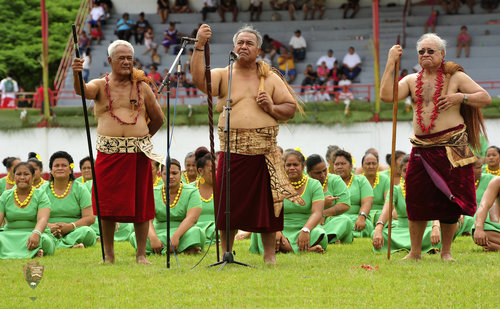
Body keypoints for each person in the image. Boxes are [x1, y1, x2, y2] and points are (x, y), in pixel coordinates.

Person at [191, 24, 304, 264]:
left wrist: (271, 108)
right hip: (233, 152)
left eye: (249, 43)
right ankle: (226, 253)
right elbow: (200, 81)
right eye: (240, 42)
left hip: (264, 153)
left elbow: (290, 108)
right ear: (234, 47)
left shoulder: (269, 77)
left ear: (258, 49)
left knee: (267, 207)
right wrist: (199, 47)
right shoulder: (224, 74)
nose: (244, 46)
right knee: (227, 205)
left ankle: (269, 256)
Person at [380, 33, 491, 260]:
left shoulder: (456, 78)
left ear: (442, 54)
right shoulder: (411, 80)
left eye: (431, 51)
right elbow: (386, 96)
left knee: (449, 200)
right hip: (421, 148)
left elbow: (485, 97)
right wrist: (390, 62)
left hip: (452, 146)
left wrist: (460, 98)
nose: (426, 55)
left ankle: (446, 252)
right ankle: (415, 253)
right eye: (422, 51)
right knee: (416, 197)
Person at [72, 40, 165, 264]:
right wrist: (77, 73)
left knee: (141, 204)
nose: (126, 62)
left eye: (129, 58)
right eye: (121, 58)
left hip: (138, 155)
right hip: (109, 154)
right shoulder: (100, 85)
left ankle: (141, 255)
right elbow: (82, 91)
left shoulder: (142, 87)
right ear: (110, 61)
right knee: (106, 206)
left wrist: (140, 138)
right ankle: (109, 255)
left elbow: (159, 119)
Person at [250, 151, 327, 254]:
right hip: (280, 228)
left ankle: (285, 248)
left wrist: (306, 230)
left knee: (319, 233)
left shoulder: (314, 185)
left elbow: (317, 212)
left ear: (303, 165)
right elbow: (268, 211)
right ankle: (303, 250)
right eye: (288, 165)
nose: (291, 168)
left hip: (305, 227)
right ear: (284, 166)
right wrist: (276, 230)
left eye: (295, 164)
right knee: (263, 230)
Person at [130, 159, 204, 254]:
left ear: (180, 174)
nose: (171, 176)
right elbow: (147, 219)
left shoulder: (192, 191)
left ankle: (161, 249)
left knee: (196, 232)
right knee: (135, 235)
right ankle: (184, 249)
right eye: (166, 174)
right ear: (160, 175)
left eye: (174, 173)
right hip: (159, 232)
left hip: (183, 232)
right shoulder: (152, 192)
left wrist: (176, 237)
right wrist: (153, 238)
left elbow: (192, 218)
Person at [372, 155, 442, 253]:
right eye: (405, 170)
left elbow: (435, 212)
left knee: (438, 233)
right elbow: (386, 211)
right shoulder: (395, 190)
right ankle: (421, 248)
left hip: (425, 230)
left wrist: (435, 227)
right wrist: (379, 228)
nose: (409, 173)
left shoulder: (428, 188)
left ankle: (410, 247)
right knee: (377, 233)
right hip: (401, 229)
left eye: (413, 170)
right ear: (400, 172)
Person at [0, 162, 55, 259]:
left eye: (26, 174)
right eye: (18, 174)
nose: (22, 177)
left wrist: (36, 233)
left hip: (34, 233)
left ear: (33, 177)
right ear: (14, 177)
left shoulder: (41, 194)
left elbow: (43, 219)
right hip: (10, 235)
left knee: (45, 240)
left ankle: (33, 250)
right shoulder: (6, 195)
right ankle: (33, 253)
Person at [42, 151, 96, 249]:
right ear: (51, 170)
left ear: (70, 170)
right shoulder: (42, 190)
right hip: (48, 230)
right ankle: (70, 245)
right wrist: (50, 227)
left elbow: (90, 218)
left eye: (64, 165)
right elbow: (35, 217)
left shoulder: (80, 188)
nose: (60, 168)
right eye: (56, 165)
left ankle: (57, 244)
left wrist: (70, 226)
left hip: (74, 230)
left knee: (88, 232)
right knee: (40, 234)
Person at [306, 154, 353, 244]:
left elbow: (345, 205)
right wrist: (322, 203)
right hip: (310, 221)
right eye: (318, 173)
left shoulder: (335, 180)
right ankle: (329, 238)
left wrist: (322, 214)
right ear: (308, 172)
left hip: (331, 221)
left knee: (345, 221)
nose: (323, 175)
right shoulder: (305, 183)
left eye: (324, 171)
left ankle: (322, 239)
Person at [333, 150, 374, 238]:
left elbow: (367, 202)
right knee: (338, 223)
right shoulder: (329, 182)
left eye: (343, 164)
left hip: (357, 217)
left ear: (351, 166)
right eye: (337, 164)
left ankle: (339, 236)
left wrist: (362, 217)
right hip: (335, 218)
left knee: (366, 226)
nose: (339, 167)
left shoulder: (361, 180)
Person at [193, 147, 216, 245]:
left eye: (218, 169)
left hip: (216, 230)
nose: (216, 174)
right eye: (212, 171)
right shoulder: (190, 190)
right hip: (195, 229)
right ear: (201, 171)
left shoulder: (224, 189)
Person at [362, 152, 390, 224]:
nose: (371, 166)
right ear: (362, 166)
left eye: (374, 163)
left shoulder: (385, 179)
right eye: (368, 164)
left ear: (378, 165)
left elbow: (388, 201)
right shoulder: (359, 180)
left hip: (381, 214)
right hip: (363, 214)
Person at [473, 176, 500, 251]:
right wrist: (479, 228)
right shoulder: (497, 181)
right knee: (480, 229)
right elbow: (484, 205)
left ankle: (497, 247)